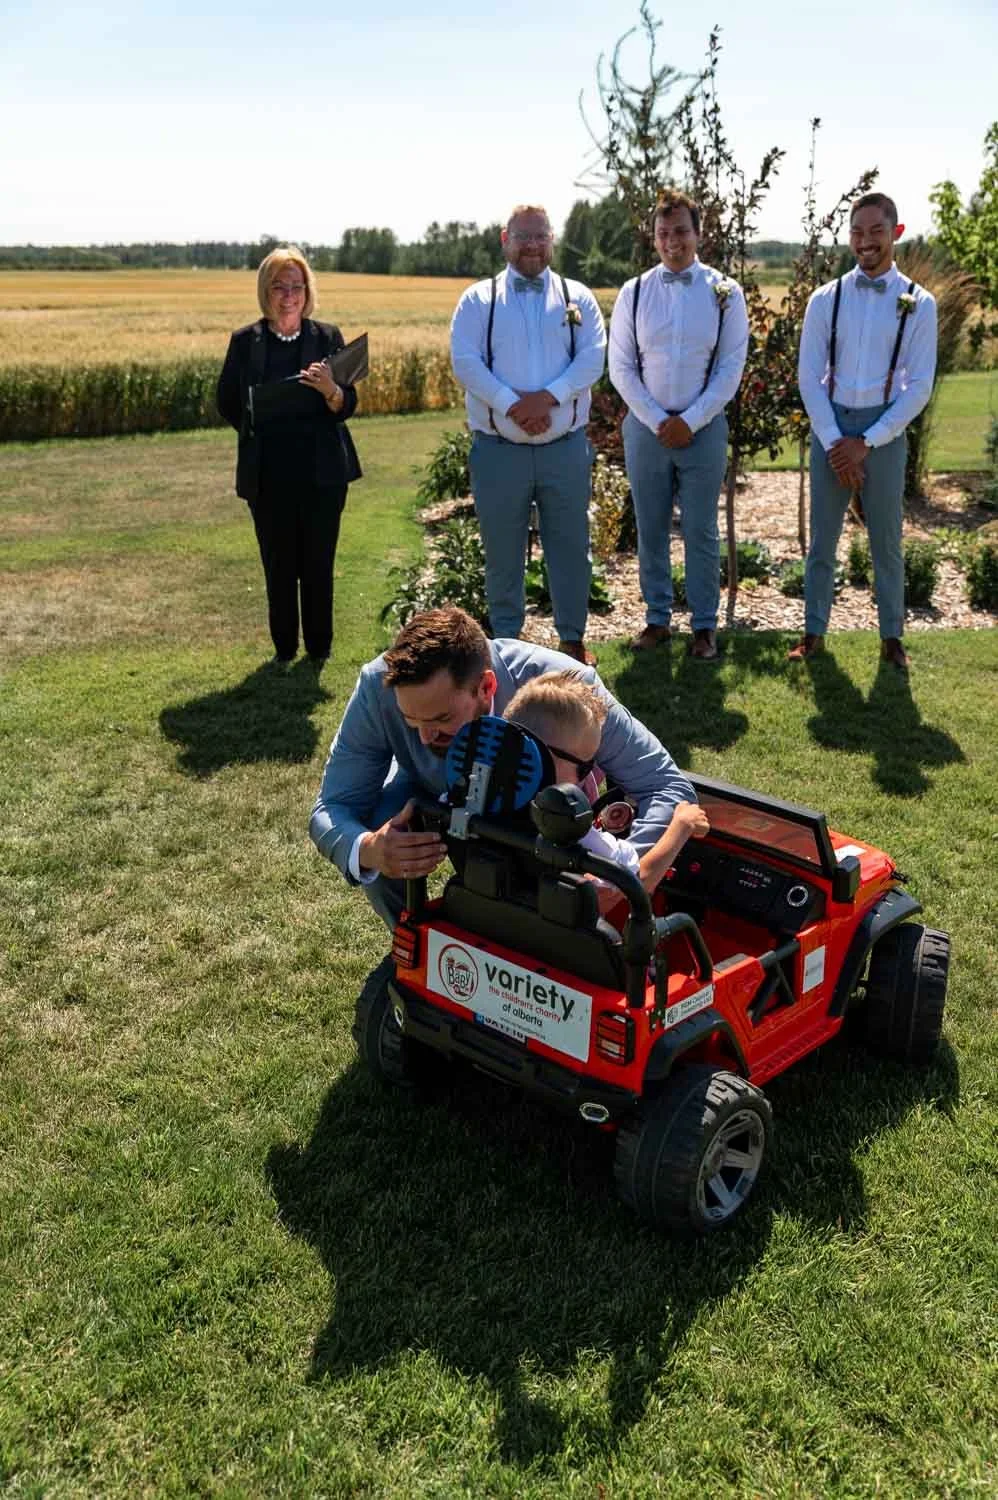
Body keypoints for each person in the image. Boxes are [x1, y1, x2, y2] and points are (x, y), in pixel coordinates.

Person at [309, 606, 696, 931]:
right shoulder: (378, 686)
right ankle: (413, 948)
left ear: (487, 687)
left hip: (543, 813)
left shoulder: (566, 693)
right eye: (411, 721)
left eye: (441, 719)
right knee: (384, 827)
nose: (425, 738)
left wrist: (621, 875)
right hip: (427, 789)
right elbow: (332, 807)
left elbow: (666, 785)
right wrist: (370, 850)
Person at [449, 205, 606, 665]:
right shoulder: (479, 300)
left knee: (571, 548)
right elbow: (466, 361)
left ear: (552, 240)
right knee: (502, 551)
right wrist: (512, 404)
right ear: (505, 239)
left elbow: (593, 357)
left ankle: (572, 642)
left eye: (541, 236)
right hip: (499, 451)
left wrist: (548, 399)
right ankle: (507, 646)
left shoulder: (578, 297)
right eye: (523, 237)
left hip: (565, 449)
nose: (533, 246)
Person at [790, 192, 938, 670]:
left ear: (895, 233)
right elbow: (808, 377)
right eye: (857, 232)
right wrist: (836, 440)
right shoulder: (824, 299)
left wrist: (867, 442)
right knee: (822, 540)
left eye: (876, 231)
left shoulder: (919, 303)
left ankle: (892, 638)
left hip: (885, 430)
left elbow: (919, 387)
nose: (866, 241)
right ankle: (813, 632)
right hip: (831, 428)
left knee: (887, 541)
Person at [608, 189, 749, 661]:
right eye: (664, 233)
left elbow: (730, 368)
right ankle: (657, 619)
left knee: (701, 530)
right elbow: (621, 367)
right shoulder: (635, 292)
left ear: (698, 234)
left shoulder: (725, 293)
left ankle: (705, 626)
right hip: (646, 430)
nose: (673, 241)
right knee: (649, 528)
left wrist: (689, 420)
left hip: (703, 430)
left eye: (681, 231)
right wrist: (656, 420)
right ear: (654, 238)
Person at [216, 245, 361, 665]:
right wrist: (259, 422)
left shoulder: (326, 337)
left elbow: (348, 403)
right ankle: (284, 648)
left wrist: (330, 390)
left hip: (323, 474)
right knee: (278, 564)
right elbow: (227, 400)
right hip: (268, 474)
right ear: (266, 290)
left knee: (318, 562)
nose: (289, 295)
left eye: (297, 286)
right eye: (279, 286)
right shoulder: (246, 342)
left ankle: (319, 649)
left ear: (307, 291)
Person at [504, 670, 709, 895]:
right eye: (584, 767)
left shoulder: (483, 796)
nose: (585, 780)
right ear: (546, 756)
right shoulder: (565, 825)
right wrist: (682, 825)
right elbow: (638, 880)